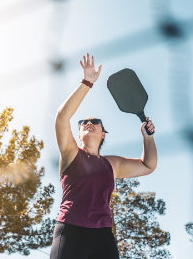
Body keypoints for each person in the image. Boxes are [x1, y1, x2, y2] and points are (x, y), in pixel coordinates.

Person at [50, 53, 157, 259]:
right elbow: (62, 117)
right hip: (71, 230)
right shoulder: (71, 153)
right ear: (79, 133)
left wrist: (148, 138)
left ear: (103, 133)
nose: (88, 123)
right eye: (83, 122)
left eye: (95, 121)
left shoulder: (111, 164)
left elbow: (148, 165)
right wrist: (86, 82)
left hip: (103, 236)